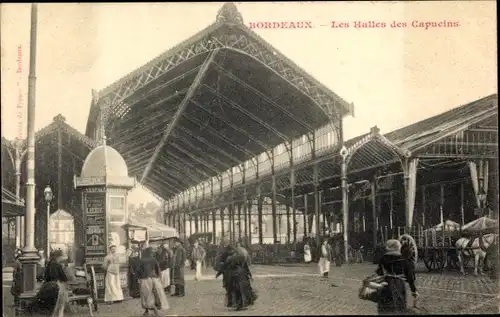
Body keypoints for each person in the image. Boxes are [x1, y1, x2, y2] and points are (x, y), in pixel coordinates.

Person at [376, 239, 418, 315]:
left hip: (385, 285)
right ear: (398, 247)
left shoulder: (383, 258)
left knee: (385, 307)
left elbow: (379, 273)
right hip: (399, 285)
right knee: (399, 306)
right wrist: (414, 291)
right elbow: (410, 277)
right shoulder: (404, 260)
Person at [30, 250, 69, 317]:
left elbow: (46, 277)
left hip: (47, 287)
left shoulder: (48, 264)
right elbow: (64, 278)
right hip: (56, 287)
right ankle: (60, 314)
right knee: (64, 295)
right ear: (58, 257)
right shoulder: (58, 265)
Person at [137, 247, 169, 316]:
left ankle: (147, 310)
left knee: (145, 294)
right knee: (155, 294)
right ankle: (156, 308)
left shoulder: (141, 260)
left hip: (145, 279)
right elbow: (158, 268)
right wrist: (158, 277)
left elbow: (138, 270)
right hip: (154, 278)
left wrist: (139, 277)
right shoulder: (154, 259)